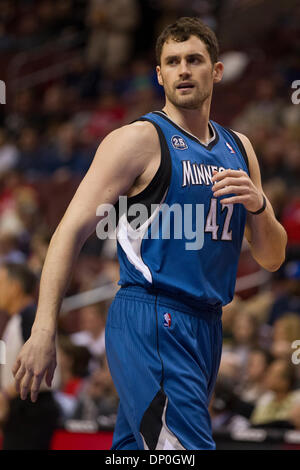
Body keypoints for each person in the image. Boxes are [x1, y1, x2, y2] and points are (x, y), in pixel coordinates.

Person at [12, 17, 287, 450]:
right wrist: (45, 326)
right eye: (172, 62)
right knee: (184, 451)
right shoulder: (139, 140)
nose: (182, 70)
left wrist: (259, 204)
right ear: (159, 74)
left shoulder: (240, 148)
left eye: (194, 60)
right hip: (152, 315)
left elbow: (272, 257)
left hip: (207, 325)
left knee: (141, 449)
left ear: (215, 71)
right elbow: (69, 230)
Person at [0, 262, 60, 449]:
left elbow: (39, 366)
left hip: (31, 409)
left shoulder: (31, 318)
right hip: (20, 410)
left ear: (15, 287)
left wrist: (5, 395)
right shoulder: (16, 319)